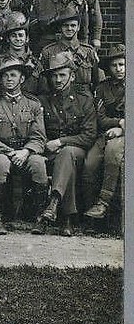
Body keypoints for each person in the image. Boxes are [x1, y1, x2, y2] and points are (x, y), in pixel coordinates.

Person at [0, 57, 47, 233]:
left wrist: (25, 152)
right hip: (1, 152)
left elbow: (39, 137)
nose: (9, 79)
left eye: (13, 75)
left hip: (25, 152)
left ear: (22, 79)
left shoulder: (33, 104)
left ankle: (40, 217)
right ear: (0, 80)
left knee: (39, 164)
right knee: (1, 164)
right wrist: (10, 152)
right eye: (5, 76)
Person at [34, 52, 97, 236]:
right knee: (64, 161)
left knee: (67, 153)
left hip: (77, 151)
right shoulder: (43, 100)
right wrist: (47, 144)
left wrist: (61, 141)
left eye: (62, 75)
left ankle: (53, 203)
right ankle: (65, 220)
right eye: (54, 76)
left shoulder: (84, 100)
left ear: (72, 75)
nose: (58, 79)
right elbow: (37, 131)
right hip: (50, 152)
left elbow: (89, 136)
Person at [83, 44, 124, 220]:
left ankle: (103, 202)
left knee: (113, 152)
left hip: (124, 135)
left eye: (122, 64)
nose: (119, 69)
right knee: (89, 164)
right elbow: (100, 118)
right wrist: (117, 122)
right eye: (114, 66)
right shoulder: (102, 88)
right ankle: (88, 212)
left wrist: (123, 127)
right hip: (106, 134)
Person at [38, 13, 98, 96]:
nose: (69, 29)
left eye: (73, 25)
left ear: (78, 27)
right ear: (60, 27)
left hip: (84, 100)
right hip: (58, 98)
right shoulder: (48, 52)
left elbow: (96, 81)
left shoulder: (88, 51)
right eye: (65, 25)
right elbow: (44, 83)